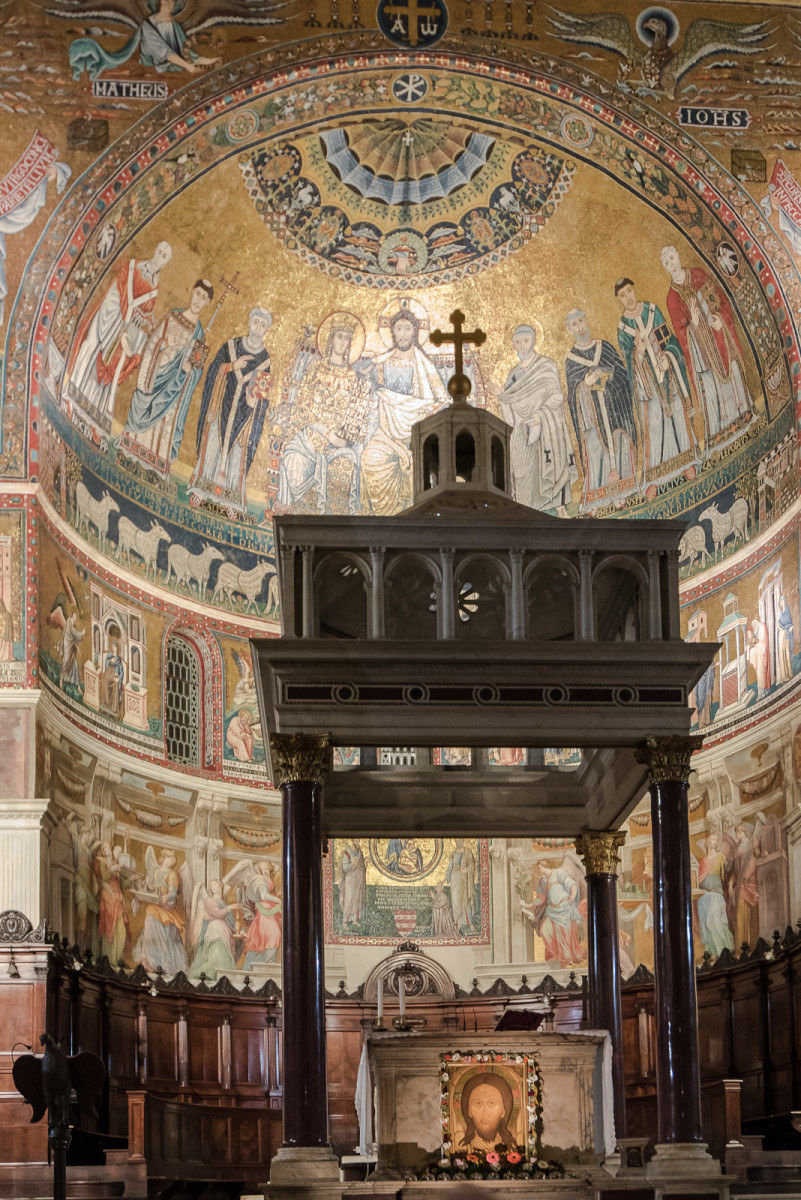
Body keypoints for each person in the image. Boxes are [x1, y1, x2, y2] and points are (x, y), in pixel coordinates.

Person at [64, 242, 171, 435]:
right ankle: (74, 390)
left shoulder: (155, 290)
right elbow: (115, 291)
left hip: (125, 332)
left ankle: (93, 410)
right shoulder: (133, 268)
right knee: (93, 348)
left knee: (114, 367)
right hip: (110, 319)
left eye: (164, 256)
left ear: (165, 262)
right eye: (160, 251)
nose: (159, 256)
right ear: (154, 250)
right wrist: (119, 320)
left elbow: (144, 319)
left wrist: (130, 336)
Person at [117, 278, 213, 480]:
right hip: (156, 376)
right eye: (197, 293)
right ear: (192, 293)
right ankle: (131, 451)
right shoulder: (172, 318)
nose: (198, 300)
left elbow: (196, 370)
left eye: (203, 298)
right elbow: (152, 344)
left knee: (165, 422)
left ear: (206, 303)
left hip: (174, 388)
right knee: (145, 405)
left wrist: (189, 371)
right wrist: (165, 349)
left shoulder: (200, 334)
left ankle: (155, 467)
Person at [277, 316, 372, 513]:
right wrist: (326, 433)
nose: (342, 342)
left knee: (345, 466)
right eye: (339, 336)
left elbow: (358, 417)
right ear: (331, 339)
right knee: (294, 461)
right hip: (310, 439)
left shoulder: (354, 378)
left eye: (347, 338)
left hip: (339, 444)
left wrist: (344, 438)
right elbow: (302, 408)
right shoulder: (316, 368)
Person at [360, 306, 449, 514]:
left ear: (414, 332)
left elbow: (442, 400)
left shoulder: (424, 365)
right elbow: (377, 401)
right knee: (369, 458)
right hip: (386, 433)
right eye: (398, 329)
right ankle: (386, 520)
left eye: (407, 328)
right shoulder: (381, 364)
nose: (402, 334)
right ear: (392, 333)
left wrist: (420, 413)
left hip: (418, 433)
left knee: (423, 467)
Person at [660, 244, 752, 446]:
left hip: (720, 336)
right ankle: (724, 430)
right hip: (702, 352)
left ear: (678, 256)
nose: (672, 264)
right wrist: (692, 323)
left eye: (673, 257)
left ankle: (745, 416)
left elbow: (721, 300)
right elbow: (681, 333)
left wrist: (721, 318)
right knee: (712, 387)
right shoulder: (672, 298)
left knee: (733, 373)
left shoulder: (698, 274)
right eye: (667, 262)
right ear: (665, 267)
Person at [189, 307, 272, 517]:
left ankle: (231, 500)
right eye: (255, 322)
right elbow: (212, 372)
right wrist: (231, 366)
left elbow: (263, 396)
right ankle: (201, 489)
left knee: (236, 454)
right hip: (221, 406)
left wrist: (255, 403)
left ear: (267, 330)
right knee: (214, 446)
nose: (257, 328)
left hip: (244, 416)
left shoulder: (265, 360)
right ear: (249, 321)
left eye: (263, 326)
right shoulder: (231, 346)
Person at [615, 277, 695, 484]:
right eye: (622, 295)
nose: (628, 297)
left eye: (629, 291)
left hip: (666, 375)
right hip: (648, 385)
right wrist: (638, 354)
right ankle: (660, 476)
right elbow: (628, 365)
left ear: (635, 290)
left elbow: (669, 340)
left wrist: (668, 358)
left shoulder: (652, 311)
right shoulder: (623, 329)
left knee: (677, 413)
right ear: (618, 300)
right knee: (656, 423)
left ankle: (688, 463)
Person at [563, 308, 638, 507]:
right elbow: (572, 397)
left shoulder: (604, 347)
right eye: (574, 324)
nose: (580, 328)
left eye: (581, 321)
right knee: (597, 452)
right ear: (569, 328)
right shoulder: (572, 361)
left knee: (620, 443)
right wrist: (585, 383)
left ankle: (627, 490)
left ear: (587, 320)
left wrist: (609, 377)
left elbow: (622, 373)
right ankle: (601, 499)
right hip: (593, 423)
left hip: (614, 412)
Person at [498, 323, 575, 512]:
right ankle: (526, 515)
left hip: (544, 429)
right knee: (523, 474)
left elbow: (557, 396)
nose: (522, 345)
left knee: (548, 469)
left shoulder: (545, 365)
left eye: (526, 340)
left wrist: (540, 416)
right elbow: (509, 411)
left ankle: (560, 510)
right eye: (518, 342)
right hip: (520, 434)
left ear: (533, 341)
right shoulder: (512, 376)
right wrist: (502, 396)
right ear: (513, 345)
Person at [68, 0, 221, 81]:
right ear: (159, 2)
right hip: (153, 69)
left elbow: (189, 54)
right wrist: (188, 67)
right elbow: (164, 52)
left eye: (173, 1)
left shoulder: (176, 27)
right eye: (166, 0)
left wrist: (211, 60)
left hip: (176, 68)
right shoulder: (148, 26)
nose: (170, 3)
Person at [132, 849, 187, 975]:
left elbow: (173, 893)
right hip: (153, 904)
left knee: (163, 933)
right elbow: (150, 885)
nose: (171, 861)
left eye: (173, 859)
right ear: (163, 858)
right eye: (169, 857)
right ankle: (149, 961)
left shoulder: (172, 874)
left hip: (165, 907)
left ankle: (160, 963)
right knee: (149, 924)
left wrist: (166, 897)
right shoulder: (156, 871)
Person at [522, 859, 584, 966]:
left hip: (563, 910)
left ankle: (566, 959)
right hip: (551, 911)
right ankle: (557, 955)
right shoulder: (543, 880)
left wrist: (572, 896)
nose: (539, 869)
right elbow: (541, 898)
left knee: (563, 936)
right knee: (545, 931)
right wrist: (529, 905)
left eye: (539, 867)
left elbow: (572, 884)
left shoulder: (558, 872)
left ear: (545, 865)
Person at [188, 880, 239, 981]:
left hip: (224, 929)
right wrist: (230, 907)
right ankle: (208, 975)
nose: (213, 887)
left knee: (224, 955)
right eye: (211, 886)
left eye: (215, 885)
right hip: (215, 928)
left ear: (220, 886)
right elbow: (217, 914)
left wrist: (238, 929)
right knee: (216, 955)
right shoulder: (209, 901)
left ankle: (222, 979)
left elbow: (230, 919)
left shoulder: (223, 902)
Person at [457, 1073, 518, 1152]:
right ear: (468, 1110)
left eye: (492, 1103)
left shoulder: (511, 1148)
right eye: (478, 1103)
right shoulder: (463, 1148)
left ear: (503, 1110)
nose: (485, 1113)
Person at [696, 833, 734, 957]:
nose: (715, 841)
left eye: (716, 839)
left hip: (716, 895)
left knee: (717, 922)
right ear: (707, 842)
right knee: (707, 925)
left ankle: (724, 951)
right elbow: (699, 879)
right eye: (712, 839)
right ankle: (712, 952)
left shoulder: (721, 857)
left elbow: (729, 871)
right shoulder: (702, 861)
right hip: (705, 896)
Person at [94, 842, 130, 964]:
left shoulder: (115, 863)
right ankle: (109, 959)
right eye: (103, 848)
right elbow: (103, 878)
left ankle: (117, 956)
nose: (105, 850)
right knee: (109, 926)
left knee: (121, 928)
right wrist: (112, 869)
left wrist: (129, 878)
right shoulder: (101, 861)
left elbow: (122, 883)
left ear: (111, 848)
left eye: (106, 847)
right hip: (108, 896)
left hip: (117, 896)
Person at [242, 861, 282, 968]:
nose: (265, 871)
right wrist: (277, 900)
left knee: (273, 935)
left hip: (269, 912)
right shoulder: (261, 880)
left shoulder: (266, 880)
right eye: (263, 869)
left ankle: (269, 960)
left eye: (267, 869)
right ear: (260, 871)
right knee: (275, 934)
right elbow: (264, 896)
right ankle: (268, 960)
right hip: (265, 913)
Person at [447, 839, 476, 933]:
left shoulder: (467, 852)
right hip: (454, 878)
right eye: (456, 841)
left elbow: (472, 865)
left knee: (465, 900)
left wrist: (466, 870)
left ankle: (470, 923)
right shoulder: (453, 853)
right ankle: (458, 923)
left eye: (459, 841)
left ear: (462, 841)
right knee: (455, 901)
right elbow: (450, 867)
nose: (457, 843)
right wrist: (445, 879)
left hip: (464, 878)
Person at [339, 839, 366, 929]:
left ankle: (354, 920)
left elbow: (362, 865)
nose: (359, 843)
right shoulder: (347, 852)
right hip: (350, 880)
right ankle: (344, 921)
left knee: (357, 899)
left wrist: (365, 865)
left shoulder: (360, 853)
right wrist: (352, 865)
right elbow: (344, 868)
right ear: (353, 841)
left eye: (359, 841)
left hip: (358, 879)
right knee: (349, 899)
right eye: (357, 841)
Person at [60, 608, 85, 690]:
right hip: (68, 649)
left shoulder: (69, 625)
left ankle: (77, 686)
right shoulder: (70, 625)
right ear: (73, 616)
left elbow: (75, 635)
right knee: (67, 663)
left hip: (70, 649)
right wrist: (82, 633)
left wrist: (80, 634)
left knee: (74, 665)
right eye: (74, 617)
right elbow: (75, 634)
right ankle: (61, 680)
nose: (75, 619)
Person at [101, 638, 125, 718]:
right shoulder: (109, 656)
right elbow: (106, 664)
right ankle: (106, 704)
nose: (114, 648)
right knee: (105, 682)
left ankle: (113, 709)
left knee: (115, 685)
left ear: (117, 648)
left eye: (115, 647)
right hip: (108, 674)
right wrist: (109, 661)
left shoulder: (119, 660)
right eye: (113, 646)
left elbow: (121, 671)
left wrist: (119, 678)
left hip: (115, 676)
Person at [777, 594, 795, 683]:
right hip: (782, 633)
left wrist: (781, 625)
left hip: (786, 633)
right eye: (780, 601)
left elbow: (788, 621)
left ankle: (790, 673)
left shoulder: (786, 610)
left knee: (787, 652)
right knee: (782, 652)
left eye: (782, 600)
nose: (782, 602)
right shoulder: (780, 612)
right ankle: (784, 676)